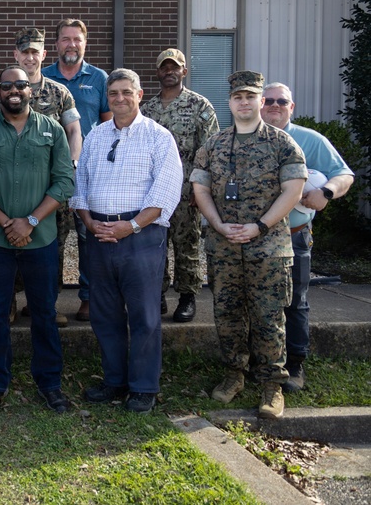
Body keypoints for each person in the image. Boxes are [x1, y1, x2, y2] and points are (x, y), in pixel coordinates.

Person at [191, 71, 306, 420]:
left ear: (260, 101)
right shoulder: (214, 144)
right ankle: (234, 375)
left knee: (269, 317)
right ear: (230, 102)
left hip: (268, 248)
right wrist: (217, 223)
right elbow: (201, 189)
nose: (244, 102)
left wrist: (260, 226)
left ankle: (272, 384)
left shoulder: (282, 143)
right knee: (227, 315)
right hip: (224, 246)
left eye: (250, 97)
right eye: (238, 97)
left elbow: (294, 189)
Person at [72, 68, 182, 414]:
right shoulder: (96, 135)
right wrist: (88, 220)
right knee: (105, 315)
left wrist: (130, 226)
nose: (119, 98)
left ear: (139, 94)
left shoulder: (158, 137)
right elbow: (81, 184)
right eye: (113, 93)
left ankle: (143, 387)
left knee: (144, 315)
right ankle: (114, 381)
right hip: (100, 236)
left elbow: (165, 192)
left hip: (141, 238)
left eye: (126, 92)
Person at [0, 66, 75, 413]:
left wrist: (30, 221)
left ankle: (50, 383)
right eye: (6, 86)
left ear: (32, 90)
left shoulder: (52, 130)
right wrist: (6, 223)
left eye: (21, 85)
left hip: (40, 238)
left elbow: (63, 182)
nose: (14, 91)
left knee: (44, 312)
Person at [0, 27, 82, 327]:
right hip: (2, 199)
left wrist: (72, 162)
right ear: (16, 54)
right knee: (0, 284)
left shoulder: (58, 92)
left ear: (42, 54)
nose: (29, 56)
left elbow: (74, 129)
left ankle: (45, 303)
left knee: (53, 249)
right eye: (23, 51)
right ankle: (10, 304)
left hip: (47, 184)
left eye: (34, 51)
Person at [260, 81, 354, 392]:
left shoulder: (310, 141)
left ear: (291, 107)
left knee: (294, 301)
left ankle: (295, 364)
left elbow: (344, 174)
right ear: (260, 105)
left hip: (294, 235)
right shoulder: (248, 139)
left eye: (281, 101)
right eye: (269, 100)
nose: (275, 105)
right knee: (254, 301)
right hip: (253, 236)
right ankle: (258, 362)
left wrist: (326, 191)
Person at [140, 48, 219, 322]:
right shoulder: (146, 109)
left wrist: (202, 191)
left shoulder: (200, 106)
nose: (170, 71)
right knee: (153, 244)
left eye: (175, 67)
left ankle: (187, 297)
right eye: (165, 67)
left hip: (187, 191)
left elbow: (210, 152)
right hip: (153, 192)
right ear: (158, 71)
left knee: (186, 244)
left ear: (184, 71)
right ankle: (157, 294)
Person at [43, 18, 111, 322]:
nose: (71, 44)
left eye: (77, 39)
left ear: (85, 43)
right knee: (51, 236)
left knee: (88, 235)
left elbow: (110, 125)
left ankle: (88, 297)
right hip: (49, 173)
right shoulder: (42, 78)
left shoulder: (99, 79)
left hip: (89, 172)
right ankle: (47, 298)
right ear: (56, 45)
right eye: (65, 39)